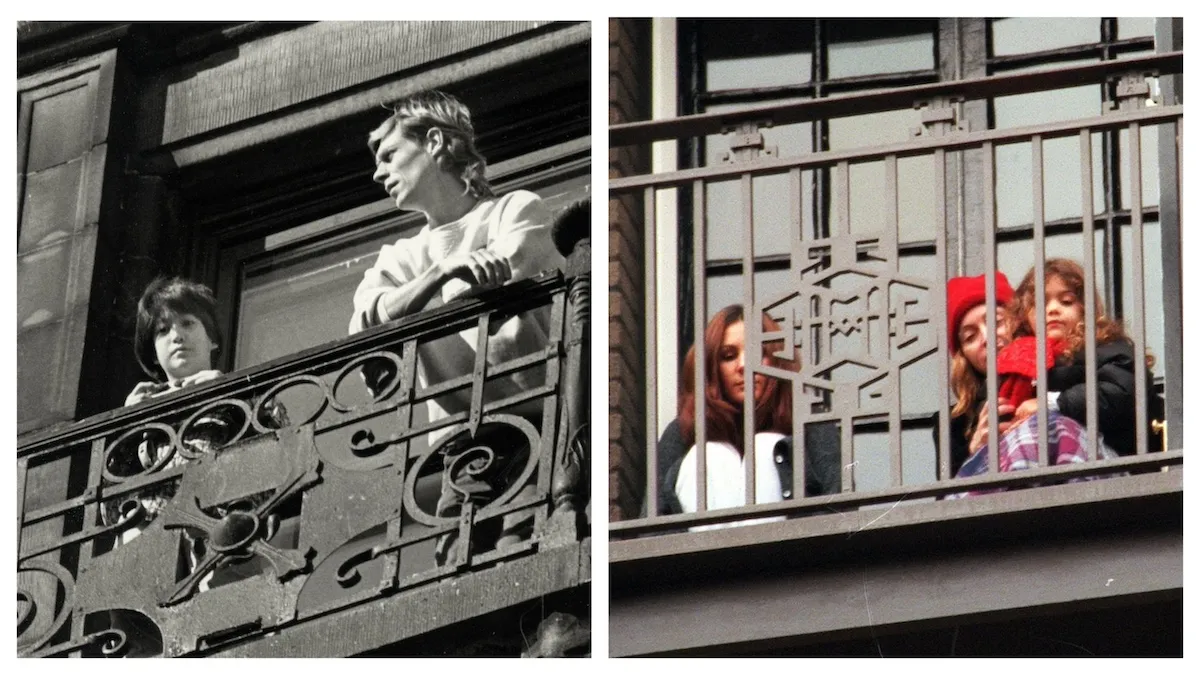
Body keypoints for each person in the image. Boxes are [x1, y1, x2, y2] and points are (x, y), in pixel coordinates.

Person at [347, 91, 564, 563]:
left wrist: (415, 301)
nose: (378, 172)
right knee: (458, 567)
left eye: (389, 155)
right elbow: (364, 325)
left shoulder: (514, 210)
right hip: (459, 445)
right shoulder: (399, 256)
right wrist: (439, 274)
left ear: (434, 142)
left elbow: (497, 278)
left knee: (521, 555)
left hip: (537, 421)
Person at [653, 305, 840, 521]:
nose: (743, 365)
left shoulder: (809, 420)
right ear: (712, 369)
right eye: (729, 356)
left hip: (793, 551)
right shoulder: (683, 431)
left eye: (756, 353)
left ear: (777, 358)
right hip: (705, 549)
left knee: (765, 447)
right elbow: (651, 521)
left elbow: (840, 506)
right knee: (710, 454)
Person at [933, 273, 1017, 478]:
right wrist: (975, 451)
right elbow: (946, 498)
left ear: (1018, 321)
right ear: (964, 356)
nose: (987, 338)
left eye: (996, 323)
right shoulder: (952, 424)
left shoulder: (1059, 373)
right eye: (971, 337)